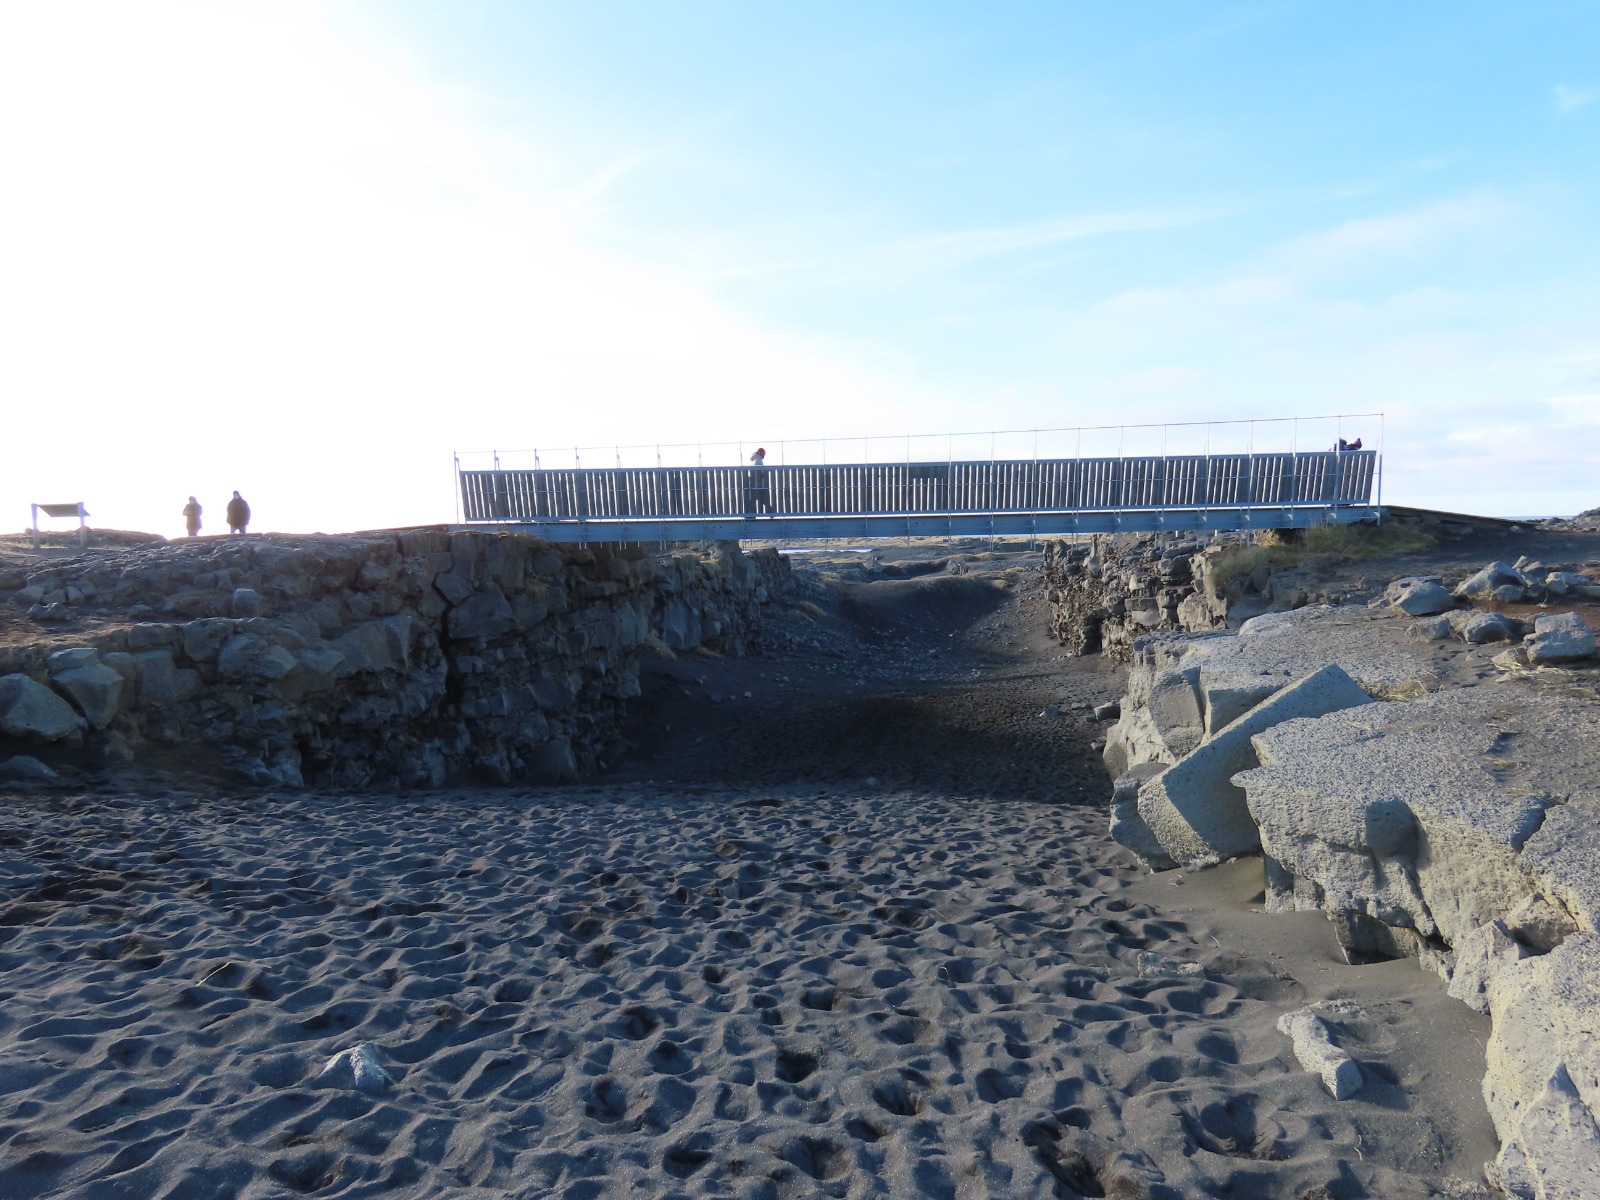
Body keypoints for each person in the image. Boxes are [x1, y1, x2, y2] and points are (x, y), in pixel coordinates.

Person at [747, 447, 772, 514]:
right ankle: (771, 512)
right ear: (762, 454)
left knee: (754, 499)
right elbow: (761, 471)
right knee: (763, 499)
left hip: (753, 484)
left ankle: (750, 514)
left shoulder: (753, 460)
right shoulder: (758, 460)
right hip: (759, 484)